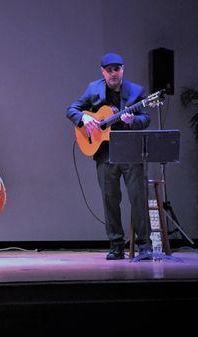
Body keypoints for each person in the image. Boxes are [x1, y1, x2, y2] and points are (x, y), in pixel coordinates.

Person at [66, 53, 152, 260]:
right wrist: (84, 118)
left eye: (117, 69)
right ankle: (116, 245)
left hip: (130, 150)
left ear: (123, 69)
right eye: (109, 69)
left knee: (138, 198)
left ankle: (144, 245)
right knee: (110, 199)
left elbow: (145, 118)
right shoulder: (94, 89)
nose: (113, 73)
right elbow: (71, 109)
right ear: (102, 71)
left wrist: (132, 121)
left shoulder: (136, 91)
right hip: (104, 152)